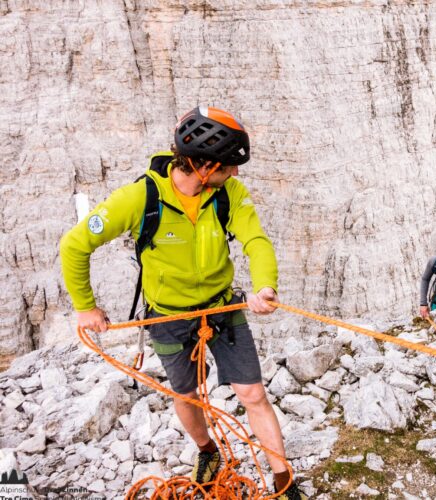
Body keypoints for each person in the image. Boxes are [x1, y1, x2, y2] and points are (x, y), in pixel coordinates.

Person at [60, 106, 305, 500]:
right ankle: (208, 451)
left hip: (223, 307)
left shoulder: (229, 194)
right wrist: (86, 306)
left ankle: (283, 481)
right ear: (204, 166)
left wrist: (265, 286)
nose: (236, 174)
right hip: (168, 318)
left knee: (254, 394)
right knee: (187, 396)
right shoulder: (140, 198)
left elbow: (256, 241)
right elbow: (75, 244)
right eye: (228, 166)